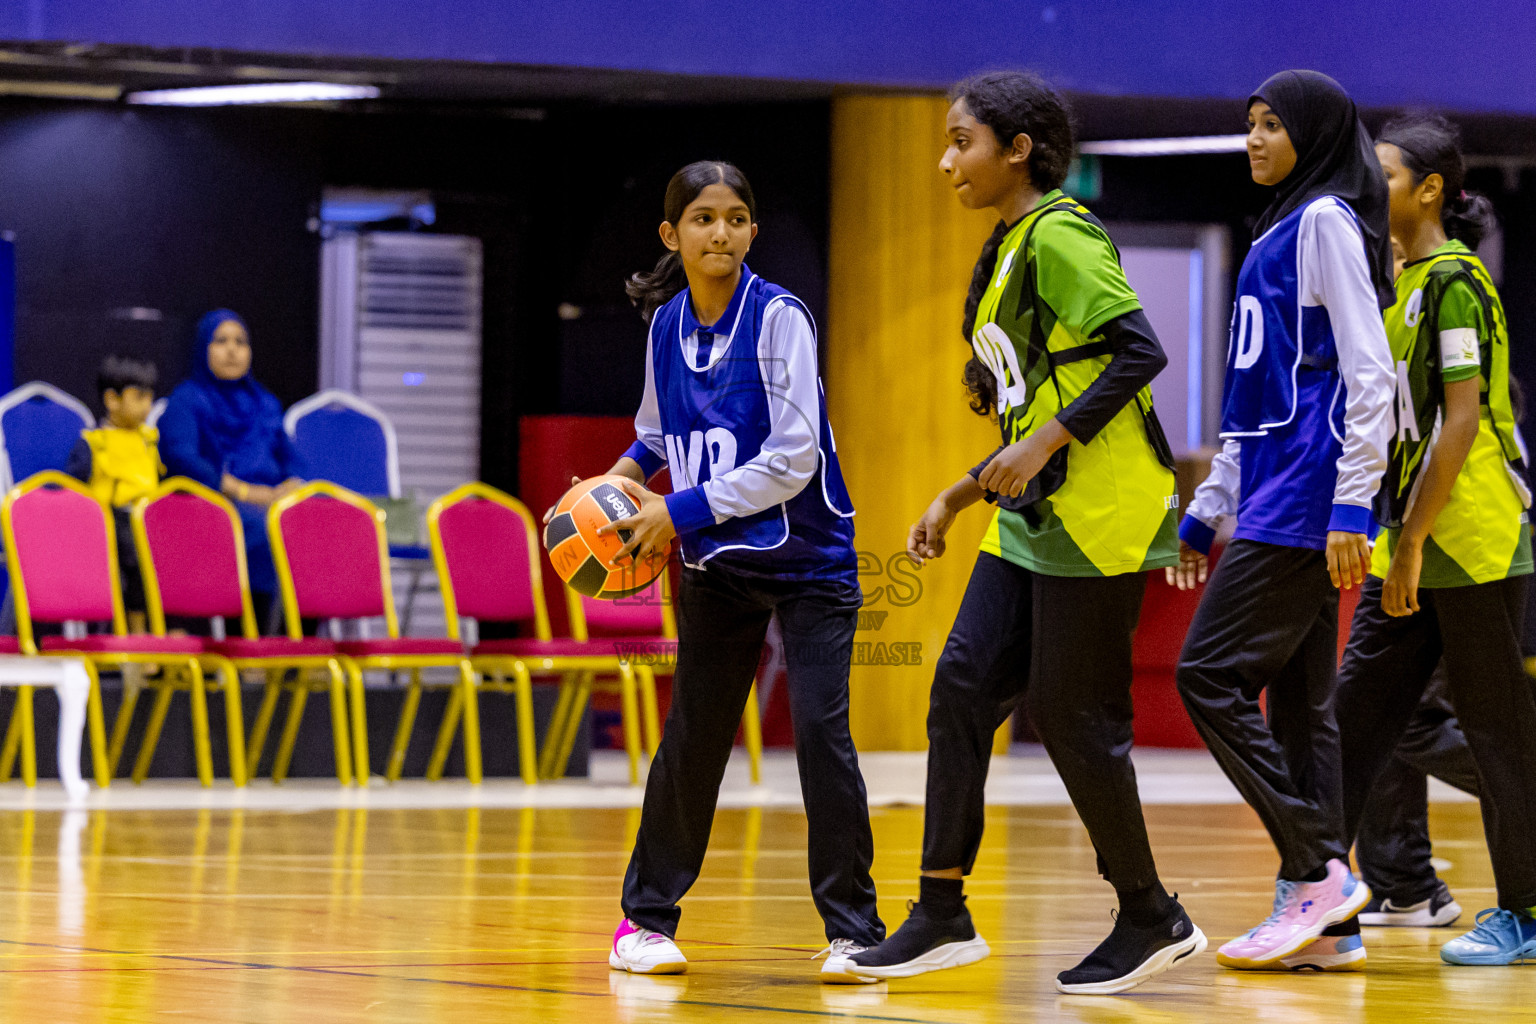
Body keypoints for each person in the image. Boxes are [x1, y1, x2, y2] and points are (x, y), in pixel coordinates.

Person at [848, 71, 1204, 996]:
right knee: (961, 689)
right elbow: (1032, 407)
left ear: (1018, 149)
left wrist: (1043, 441)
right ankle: (940, 911)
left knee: (1077, 722)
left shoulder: (1062, 235)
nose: (944, 161)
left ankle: (1149, 914)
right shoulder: (1012, 246)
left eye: (961, 141)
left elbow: (1140, 351)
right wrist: (959, 495)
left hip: (1101, 510)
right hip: (1033, 515)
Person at [594, 161, 884, 983]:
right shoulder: (664, 328)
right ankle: (644, 922)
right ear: (672, 234)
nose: (719, 232)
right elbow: (654, 435)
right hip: (716, 566)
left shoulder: (781, 317)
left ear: (753, 230)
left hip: (812, 563)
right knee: (693, 737)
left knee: (823, 735)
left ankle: (855, 931)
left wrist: (675, 511)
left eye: (735, 218)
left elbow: (792, 459)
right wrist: (617, 480)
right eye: (702, 219)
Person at [1170, 70, 1394, 971]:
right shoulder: (1272, 232)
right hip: (1268, 489)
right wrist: (1208, 507)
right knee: (1303, 713)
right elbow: (1255, 401)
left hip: (1308, 494)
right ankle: (1329, 925)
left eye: (1272, 125)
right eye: (1248, 124)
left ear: (1316, 134)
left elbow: (1370, 374)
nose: (1254, 138)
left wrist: (1352, 502)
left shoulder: (1326, 223)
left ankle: (1317, 867)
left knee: (1205, 675)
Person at [1334, 112, 1536, 967]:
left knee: (1498, 734)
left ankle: (1525, 914)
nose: (1365, 189)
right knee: (1353, 715)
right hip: (1413, 540)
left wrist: (1410, 539)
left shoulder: (1454, 281)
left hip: (1473, 538)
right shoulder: (1404, 286)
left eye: (1381, 174)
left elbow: (1460, 423)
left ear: (1429, 191)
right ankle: (1312, 886)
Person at [158, 310, 305, 623]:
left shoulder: (266, 403)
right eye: (221, 341)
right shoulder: (186, 400)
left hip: (269, 503)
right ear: (202, 349)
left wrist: (294, 483)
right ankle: (252, 640)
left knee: (314, 526)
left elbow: (290, 457)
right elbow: (180, 457)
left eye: (240, 342)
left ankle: (305, 650)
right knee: (262, 528)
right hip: (214, 502)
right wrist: (241, 490)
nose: (232, 350)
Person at [66, 354, 163, 631]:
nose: (147, 405)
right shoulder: (93, 443)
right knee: (135, 549)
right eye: (139, 396)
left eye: (150, 397)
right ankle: (137, 629)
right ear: (112, 399)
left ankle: (165, 630)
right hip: (105, 522)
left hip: (146, 517)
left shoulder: (149, 440)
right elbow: (72, 490)